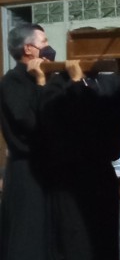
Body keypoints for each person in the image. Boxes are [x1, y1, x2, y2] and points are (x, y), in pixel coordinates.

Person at [38, 58, 120, 260]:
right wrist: (76, 85)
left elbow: (113, 127)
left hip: (100, 173)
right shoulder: (57, 87)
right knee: (76, 241)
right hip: (71, 177)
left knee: (104, 241)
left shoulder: (106, 84)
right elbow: (55, 127)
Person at [0, 23, 53, 260]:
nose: (49, 48)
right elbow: (30, 121)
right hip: (27, 171)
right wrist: (42, 86)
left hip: (48, 169)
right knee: (28, 238)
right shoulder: (13, 82)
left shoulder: (45, 77)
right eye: (44, 43)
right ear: (29, 49)